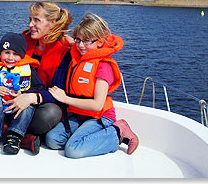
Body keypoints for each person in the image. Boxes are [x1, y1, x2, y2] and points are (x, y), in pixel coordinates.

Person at [0, 2, 73, 154]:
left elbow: (59, 93)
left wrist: (31, 97)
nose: (31, 25)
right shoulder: (23, 41)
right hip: (5, 101)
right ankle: (19, 136)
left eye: (36, 20)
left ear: (53, 22)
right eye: (30, 20)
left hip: (36, 105)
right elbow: (0, 68)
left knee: (52, 113)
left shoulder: (66, 51)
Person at [45, 13, 139, 158]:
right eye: (78, 40)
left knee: (73, 150)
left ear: (100, 42)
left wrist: (65, 99)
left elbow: (97, 105)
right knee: (52, 140)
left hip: (98, 116)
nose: (81, 45)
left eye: (86, 41)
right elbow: (69, 39)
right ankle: (84, 135)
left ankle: (118, 131)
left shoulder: (103, 66)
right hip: (78, 115)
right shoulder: (78, 55)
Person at [0, 32, 45, 155]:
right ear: (0, 53)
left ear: (22, 56)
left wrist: (24, 93)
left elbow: (40, 88)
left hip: (18, 108)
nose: (10, 58)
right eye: (6, 53)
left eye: (15, 54)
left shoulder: (28, 69)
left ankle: (14, 137)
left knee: (28, 104)